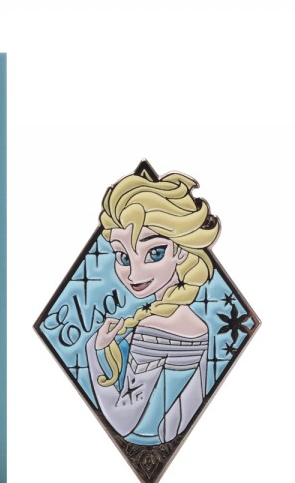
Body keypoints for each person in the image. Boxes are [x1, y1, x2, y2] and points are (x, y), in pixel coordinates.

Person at [86, 171, 219, 445]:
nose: (134, 274)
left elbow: (122, 421)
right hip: (166, 441)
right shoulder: (202, 328)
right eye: (123, 257)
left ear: (180, 250)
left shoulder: (152, 328)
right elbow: (192, 405)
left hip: (141, 440)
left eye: (154, 252)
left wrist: (94, 350)